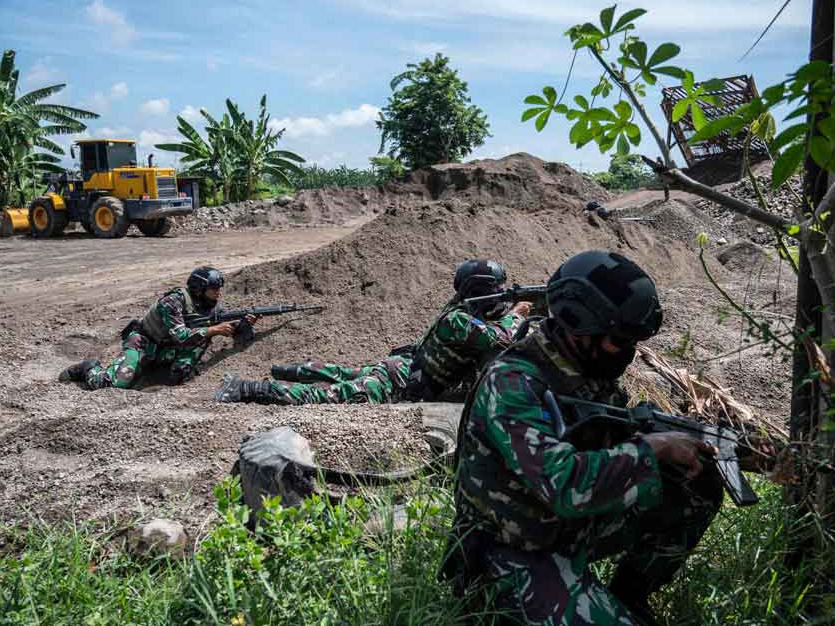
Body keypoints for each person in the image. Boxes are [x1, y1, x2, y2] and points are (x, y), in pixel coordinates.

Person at [440, 250, 723, 626]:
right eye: (618, 340)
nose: (627, 352)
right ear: (578, 325)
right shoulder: (512, 383)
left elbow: (622, 431)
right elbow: (564, 484)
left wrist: (726, 449)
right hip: (510, 553)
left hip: (563, 529)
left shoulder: (584, 373)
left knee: (695, 484)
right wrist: (653, 449)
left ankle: (630, 597)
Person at [213, 259, 531, 405]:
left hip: (402, 368)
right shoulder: (458, 321)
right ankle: (246, 388)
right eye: (497, 289)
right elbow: (500, 336)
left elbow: (488, 322)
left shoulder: (459, 309)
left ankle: (287, 370)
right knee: (328, 395)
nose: (502, 294)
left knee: (340, 373)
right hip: (398, 382)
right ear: (481, 290)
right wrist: (517, 313)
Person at [59, 266, 255, 389]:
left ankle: (168, 374)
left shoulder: (209, 306)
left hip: (167, 349)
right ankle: (88, 368)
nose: (218, 293)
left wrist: (244, 324)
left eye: (219, 289)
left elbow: (226, 328)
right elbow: (181, 336)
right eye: (214, 289)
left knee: (197, 347)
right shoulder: (173, 302)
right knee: (111, 384)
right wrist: (214, 329)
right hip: (143, 344)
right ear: (199, 289)